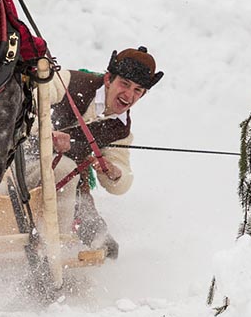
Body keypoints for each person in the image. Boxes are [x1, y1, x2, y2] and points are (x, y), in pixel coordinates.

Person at [22, 47, 163, 259]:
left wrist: (114, 173)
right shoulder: (69, 82)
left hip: (67, 187)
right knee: (65, 167)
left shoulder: (120, 130)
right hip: (20, 164)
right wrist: (47, 134)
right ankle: (53, 256)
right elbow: (28, 104)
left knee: (108, 246)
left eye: (137, 90)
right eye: (124, 84)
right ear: (108, 80)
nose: (129, 95)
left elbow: (121, 181)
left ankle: (66, 259)